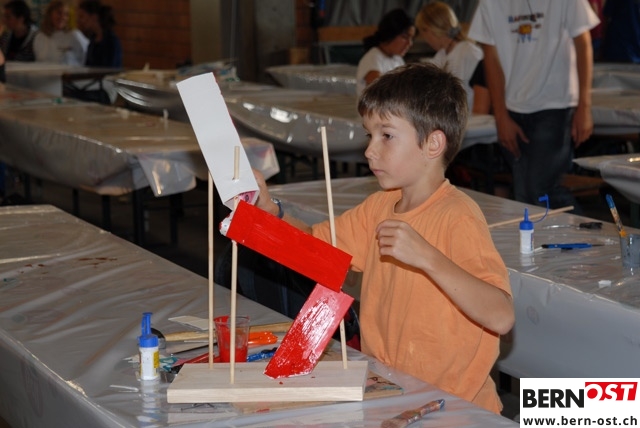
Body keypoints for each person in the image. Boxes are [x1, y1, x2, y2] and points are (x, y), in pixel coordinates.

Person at [253, 63, 514, 413]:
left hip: (454, 407)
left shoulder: (458, 216)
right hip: (392, 392)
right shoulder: (378, 207)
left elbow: (501, 316)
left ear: (433, 143)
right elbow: (314, 250)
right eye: (369, 135)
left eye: (386, 136)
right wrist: (270, 213)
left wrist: (427, 257)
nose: (370, 150)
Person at [468, 1, 599, 210]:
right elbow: (490, 58)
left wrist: (584, 106)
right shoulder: (490, 3)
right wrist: (501, 116)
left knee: (539, 189)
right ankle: (559, 231)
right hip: (512, 108)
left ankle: (585, 229)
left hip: (555, 104)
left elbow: (583, 43)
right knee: (524, 193)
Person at [416, 1, 490, 114]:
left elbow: (484, 95)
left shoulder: (470, 53)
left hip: (471, 120)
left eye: (423, 32)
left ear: (431, 30)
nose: (425, 39)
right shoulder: (440, 56)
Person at [355, 8, 414, 96]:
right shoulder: (373, 58)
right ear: (390, 34)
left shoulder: (397, 59)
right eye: (405, 37)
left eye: (412, 38)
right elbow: (379, 94)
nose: (410, 43)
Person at [34, 0, 88, 65]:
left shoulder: (75, 35)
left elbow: (86, 56)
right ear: (50, 14)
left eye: (66, 14)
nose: (63, 17)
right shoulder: (40, 37)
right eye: (59, 13)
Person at [76, 0, 121, 67]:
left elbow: (111, 68)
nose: (79, 20)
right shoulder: (93, 40)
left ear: (94, 17)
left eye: (82, 16)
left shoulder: (111, 41)